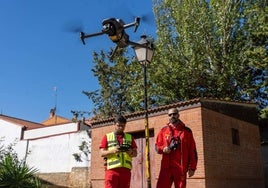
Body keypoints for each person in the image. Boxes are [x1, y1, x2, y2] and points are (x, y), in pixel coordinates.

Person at [155, 108, 198, 188]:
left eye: (174, 114)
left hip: (180, 167)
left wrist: (193, 167)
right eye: (170, 114)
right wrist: (163, 149)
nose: (172, 116)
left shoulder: (187, 131)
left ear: (178, 115)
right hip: (166, 167)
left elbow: (192, 150)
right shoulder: (163, 130)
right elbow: (157, 147)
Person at [99, 115, 138, 188]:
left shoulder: (130, 137)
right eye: (118, 125)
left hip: (126, 171)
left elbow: (135, 153)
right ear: (114, 124)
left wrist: (131, 152)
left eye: (123, 126)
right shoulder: (107, 136)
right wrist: (113, 151)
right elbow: (101, 153)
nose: (121, 127)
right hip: (112, 171)